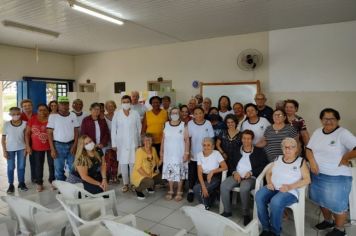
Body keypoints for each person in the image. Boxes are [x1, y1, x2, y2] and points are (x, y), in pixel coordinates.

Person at [306, 108, 356, 236]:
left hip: (336, 176)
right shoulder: (318, 132)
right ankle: (328, 221)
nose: (328, 121)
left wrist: (345, 157)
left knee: (337, 204)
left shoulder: (343, 133)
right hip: (317, 175)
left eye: (332, 118)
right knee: (321, 201)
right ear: (321, 120)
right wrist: (312, 161)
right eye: (325, 119)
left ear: (337, 119)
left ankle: (340, 229)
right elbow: (309, 149)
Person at [256, 138, 310, 236]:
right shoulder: (278, 159)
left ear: (296, 149)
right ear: (282, 149)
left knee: (276, 201)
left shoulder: (301, 161)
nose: (288, 149)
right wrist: (269, 182)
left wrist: (290, 187)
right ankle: (265, 228)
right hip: (273, 187)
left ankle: (274, 231)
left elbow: (307, 179)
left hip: (289, 191)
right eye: (285, 147)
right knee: (259, 196)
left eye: (291, 147)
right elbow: (269, 173)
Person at [220, 130, 268, 225]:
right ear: (241, 139)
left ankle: (246, 214)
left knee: (244, 187)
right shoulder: (236, 149)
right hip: (236, 175)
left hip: (250, 178)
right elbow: (230, 162)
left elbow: (263, 166)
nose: (246, 140)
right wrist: (234, 172)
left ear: (252, 139)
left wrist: (251, 172)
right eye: (244, 138)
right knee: (224, 185)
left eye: (248, 139)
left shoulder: (259, 151)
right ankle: (227, 211)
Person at [112, 95, 142, 192]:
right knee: (123, 164)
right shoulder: (117, 114)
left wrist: (139, 143)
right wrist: (114, 144)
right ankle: (125, 184)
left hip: (134, 143)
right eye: (123, 102)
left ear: (130, 102)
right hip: (121, 143)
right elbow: (113, 130)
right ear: (121, 103)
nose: (125, 103)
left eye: (127, 101)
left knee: (133, 164)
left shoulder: (135, 113)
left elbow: (139, 129)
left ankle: (133, 183)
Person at [47, 96, 79, 181]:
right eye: (62, 104)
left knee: (73, 168)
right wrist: (52, 149)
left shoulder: (73, 115)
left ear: (69, 105)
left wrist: (75, 145)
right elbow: (49, 133)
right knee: (59, 169)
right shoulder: (53, 117)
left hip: (71, 144)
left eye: (66, 104)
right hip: (58, 146)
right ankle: (61, 187)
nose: (64, 106)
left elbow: (76, 131)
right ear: (58, 105)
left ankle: (72, 185)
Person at [160, 107, 189, 201]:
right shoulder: (166, 124)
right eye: (173, 113)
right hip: (168, 154)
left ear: (179, 114)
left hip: (179, 153)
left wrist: (186, 153)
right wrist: (161, 152)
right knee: (169, 172)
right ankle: (171, 190)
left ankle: (179, 191)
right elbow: (163, 140)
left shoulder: (183, 125)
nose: (174, 114)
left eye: (176, 113)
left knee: (180, 173)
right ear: (170, 114)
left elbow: (187, 140)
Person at [187, 107, 215, 202]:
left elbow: (211, 138)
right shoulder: (190, 124)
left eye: (200, 113)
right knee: (192, 173)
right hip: (194, 153)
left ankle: (200, 190)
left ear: (204, 113)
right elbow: (188, 139)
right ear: (193, 115)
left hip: (205, 154)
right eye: (196, 113)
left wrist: (211, 153)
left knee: (203, 173)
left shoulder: (208, 123)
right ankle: (190, 190)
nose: (198, 115)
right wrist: (188, 151)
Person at [25, 104, 55, 192]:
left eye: (44, 110)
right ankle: (39, 183)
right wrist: (27, 146)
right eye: (40, 110)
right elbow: (27, 133)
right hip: (36, 147)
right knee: (38, 165)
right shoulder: (32, 119)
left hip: (51, 146)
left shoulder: (51, 119)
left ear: (47, 110)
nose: (42, 112)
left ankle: (52, 181)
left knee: (52, 164)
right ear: (37, 111)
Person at [193, 137, 227, 209]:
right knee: (198, 189)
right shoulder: (199, 154)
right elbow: (199, 172)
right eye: (204, 145)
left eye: (208, 145)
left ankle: (205, 206)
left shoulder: (216, 153)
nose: (206, 147)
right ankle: (207, 204)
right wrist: (203, 186)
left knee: (198, 189)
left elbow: (225, 167)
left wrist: (212, 171)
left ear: (213, 146)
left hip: (214, 177)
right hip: (203, 176)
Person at [2, 107, 28, 193]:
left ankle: (21, 183)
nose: (16, 116)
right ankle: (11, 184)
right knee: (10, 167)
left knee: (21, 166)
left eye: (18, 114)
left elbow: (26, 137)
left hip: (22, 148)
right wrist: (4, 151)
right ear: (10, 115)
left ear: (20, 114)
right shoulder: (6, 124)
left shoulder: (25, 123)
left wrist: (26, 148)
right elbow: (3, 139)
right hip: (10, 149)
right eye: (13, 114)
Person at [131, 133, 161, 200]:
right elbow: (138, 168)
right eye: (146, 140)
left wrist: (162, 157)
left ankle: (148, 186)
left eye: (150, 140)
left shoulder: (153, 149)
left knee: (162, 178)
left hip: (151, 173)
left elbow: (157, 162)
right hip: (140, 175)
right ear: (143, 141)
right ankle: (138, 190)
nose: (148, 142)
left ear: (152, 141)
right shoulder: (139, 151)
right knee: (150, 181)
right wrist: (147, 176)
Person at [20, 99, 36, 183]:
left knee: (34, 161)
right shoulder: (19, 117)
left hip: (34, 142)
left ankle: (34, 178)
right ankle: (21, 181)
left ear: (32, 106)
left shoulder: (36, 116)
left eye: (29, 105)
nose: (27, 107)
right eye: (25, 106)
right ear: (22, 108)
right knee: (22, 164)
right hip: (22, 143)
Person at [104, 100, 118, 183]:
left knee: (116, 160)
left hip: (117, 141)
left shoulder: (118, 116)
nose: (110, 108)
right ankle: (107, 177)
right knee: (108, 160)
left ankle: (115, 176)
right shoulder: (103, 117)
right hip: (108, 141)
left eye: (112, 106)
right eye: (108, 106)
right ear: (106, 108)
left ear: (115, 107)